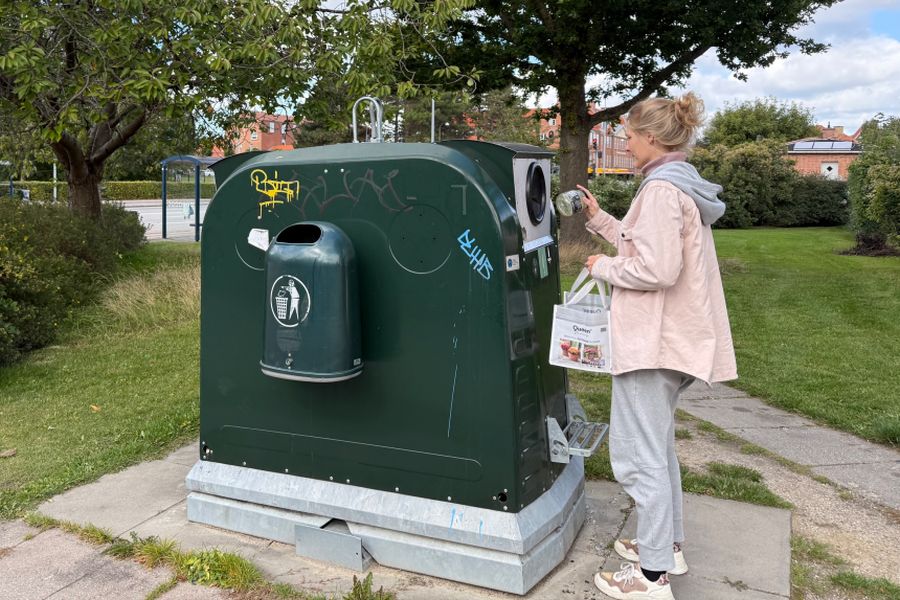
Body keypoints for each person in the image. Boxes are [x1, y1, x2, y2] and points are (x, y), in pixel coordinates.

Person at [577, 92, 738, 600]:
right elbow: (647, 245)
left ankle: (649, 579)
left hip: (653, 342)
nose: (625, 142)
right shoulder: (677, 185)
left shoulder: (661, 191)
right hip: (672, 339)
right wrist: (601, 220)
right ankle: (666, 548)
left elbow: (656, 269)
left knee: (637, 457)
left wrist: (603, 267)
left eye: (628, 135)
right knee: (658, 450)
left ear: (650, 137)